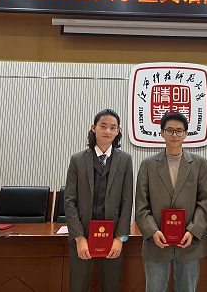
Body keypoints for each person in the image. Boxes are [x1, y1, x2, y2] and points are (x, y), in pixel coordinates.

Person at [135, 111, 207, 292]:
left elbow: (205, 201)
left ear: (186, 133)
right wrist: (153, 232)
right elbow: (141, 205)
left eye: (179, 130)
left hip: (189, 244)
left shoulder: (199, 164)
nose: (174, 135)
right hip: (156, 244)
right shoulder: (148, 165)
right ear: (162, 132)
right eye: (169, 130)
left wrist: (193, 231)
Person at [65, 109, 133, 292]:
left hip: (113, 235)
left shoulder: (125, 160)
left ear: (118, 131)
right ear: (94, 128)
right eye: (103, 126)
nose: (108, 131)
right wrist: (79, 237)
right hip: (83, 233)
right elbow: (69, 200)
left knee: (111, 286)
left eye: (113, 127)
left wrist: (120, 238)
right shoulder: (77, 160)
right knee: (78, 286)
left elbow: (127, 201)